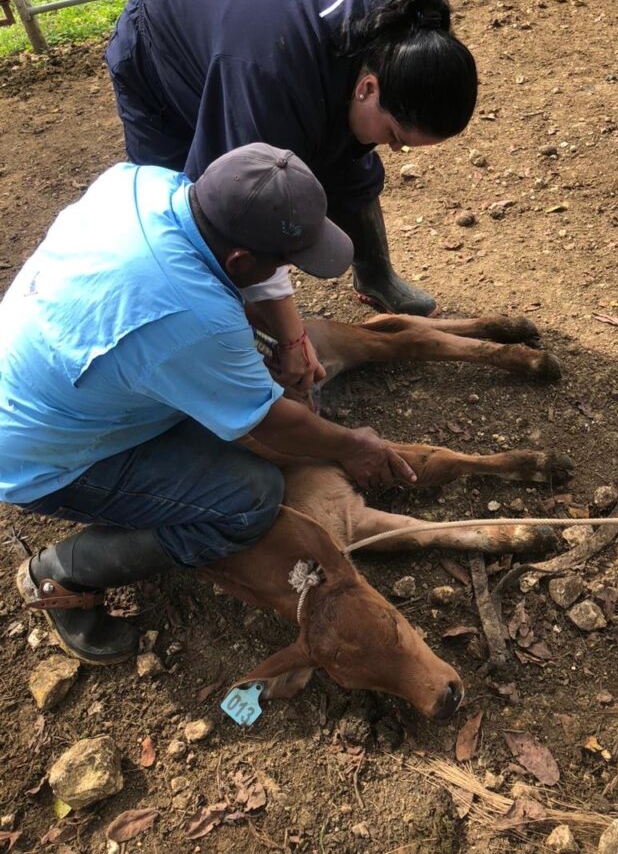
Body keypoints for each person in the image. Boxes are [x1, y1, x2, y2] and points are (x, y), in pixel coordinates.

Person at [0, 143, 416, 667]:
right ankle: (60, 574)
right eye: (285, 262)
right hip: (41, 460)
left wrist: (289, 339)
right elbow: (271, 424)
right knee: (248, 498)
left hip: (41, 382)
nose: (288, 272)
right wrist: (352, 445)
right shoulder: (191, 318)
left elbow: (233, 295)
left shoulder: (142, 185)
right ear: (239, 260)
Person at [105, 0, 478, 330]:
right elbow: (248, 207)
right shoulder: (273, 81)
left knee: (347, 154)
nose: (396, 149)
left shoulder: (408, 26)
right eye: (395, 135)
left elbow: (351, 154)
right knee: (187, 201)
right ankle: (208, 317)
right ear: (367, 88)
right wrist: (288, 334)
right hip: (162, 31)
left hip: (245, 22)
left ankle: (374, 272)